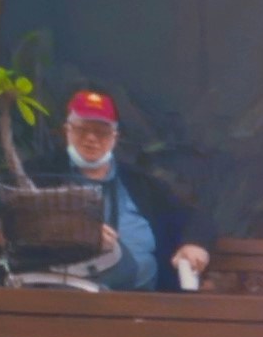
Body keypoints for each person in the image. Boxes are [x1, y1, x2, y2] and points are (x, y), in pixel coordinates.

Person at [50, 88, 207, 290]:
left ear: (114, 137)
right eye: (82, 129)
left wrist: (194, 244)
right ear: (67, 130)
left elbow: (194, 217)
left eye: (101, 131)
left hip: (143, 305)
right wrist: (77, 233)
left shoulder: (140, 182)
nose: (91, 138)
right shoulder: (41, 173)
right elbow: (21, 223)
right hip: (65, 300)